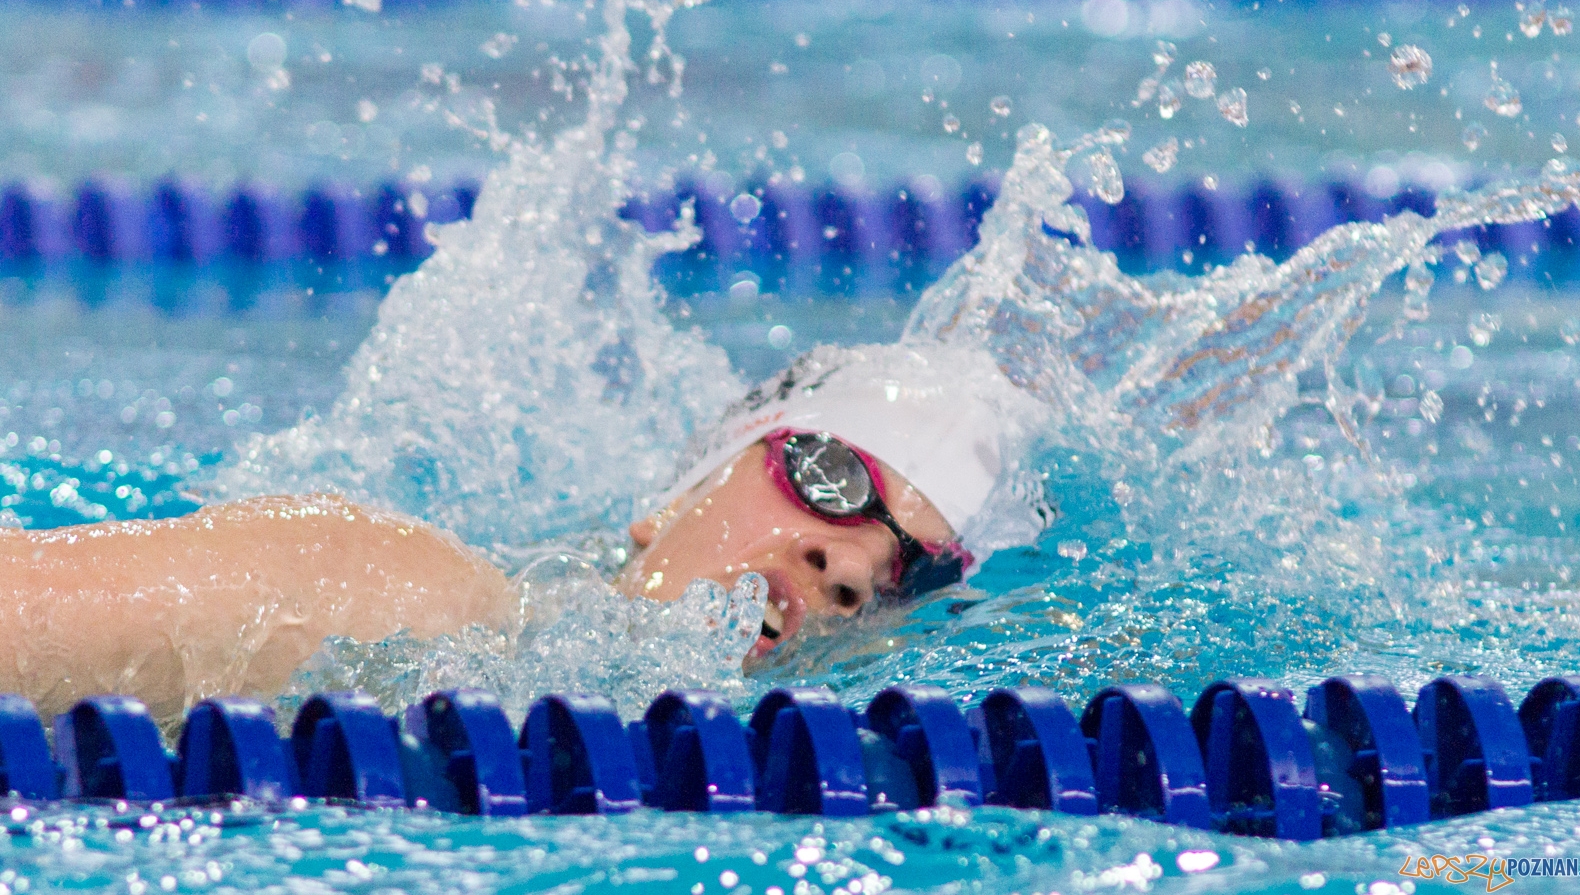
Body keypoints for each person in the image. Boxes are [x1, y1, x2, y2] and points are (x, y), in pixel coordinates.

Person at [0, 343, 1021, 725]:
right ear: (684, 486)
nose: (846, 559)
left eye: (902, 573)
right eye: (830, 475)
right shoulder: (384, 587)